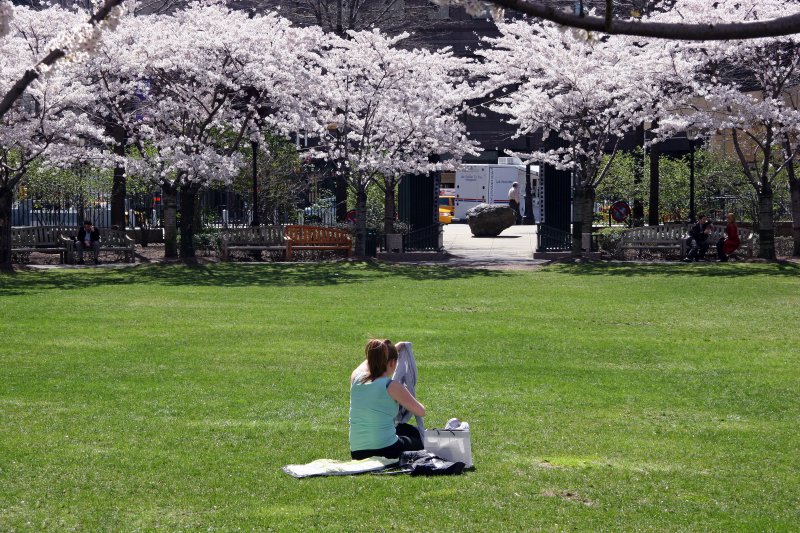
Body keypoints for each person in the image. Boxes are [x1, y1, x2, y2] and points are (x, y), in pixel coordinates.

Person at [349, 339, 425, 460]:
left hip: (357, 452)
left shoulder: (356, 378)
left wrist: (392, 348)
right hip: (386, 450)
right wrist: (407, 392)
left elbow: (368, 362)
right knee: (420, 439)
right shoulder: (391, 386)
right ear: (393, 363)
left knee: (407, 430)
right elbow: (421, 411)